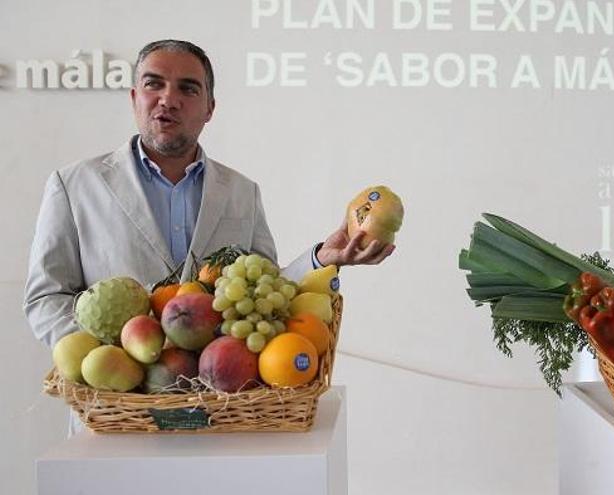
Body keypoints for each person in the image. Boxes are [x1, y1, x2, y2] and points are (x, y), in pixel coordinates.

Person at [24, 40, 394, 347]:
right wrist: (111, 361)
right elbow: (45, 299)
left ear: (209, 109)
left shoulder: (241, 192)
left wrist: (319, 259)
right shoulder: (72, 185)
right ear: (134, 97)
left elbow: (263, 292)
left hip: (218, 405)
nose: (168, 99)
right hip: (112, 417)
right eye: (154, 84)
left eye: (188, 88)